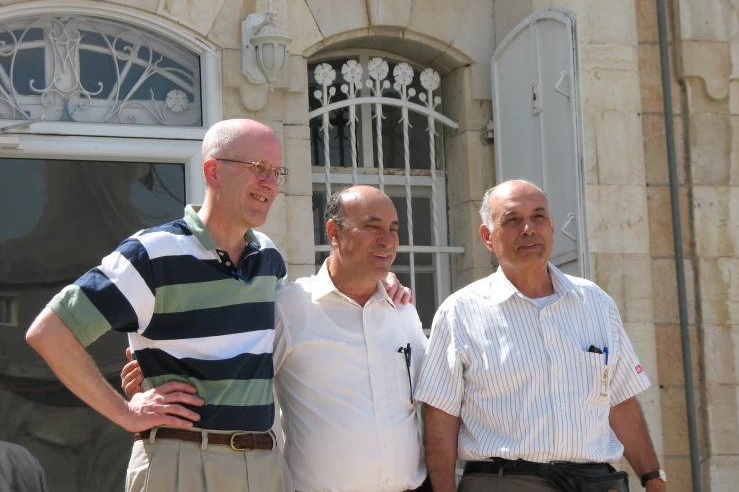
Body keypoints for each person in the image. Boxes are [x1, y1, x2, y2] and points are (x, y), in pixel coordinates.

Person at [26, 119, 295, 492]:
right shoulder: (151, 254)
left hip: (262, 465)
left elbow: (302, 320)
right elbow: (50, 332)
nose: (270, 183)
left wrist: (382, 287)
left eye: (277, 172)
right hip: (179, 465)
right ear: (213, 171)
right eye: (259, 168)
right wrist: (125, 412)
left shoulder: (269, 257)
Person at [123, 185, 431, 492]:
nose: (387, 240)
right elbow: (226, 374)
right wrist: (153, 375)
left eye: (393, 229)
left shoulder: (403, 311)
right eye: (372, 226)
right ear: (334, 233)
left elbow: (435, 396)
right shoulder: (288, 307)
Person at [415, 180, 666, 492]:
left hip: (596, 483)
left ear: (551, 227)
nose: (528, 229)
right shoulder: (459, 313)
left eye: (538, 217)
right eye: (512, 220)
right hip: (505, 482)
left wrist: (652, 477)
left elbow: (621, 403)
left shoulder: (597, 303)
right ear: (487, 237)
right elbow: (441, 417)